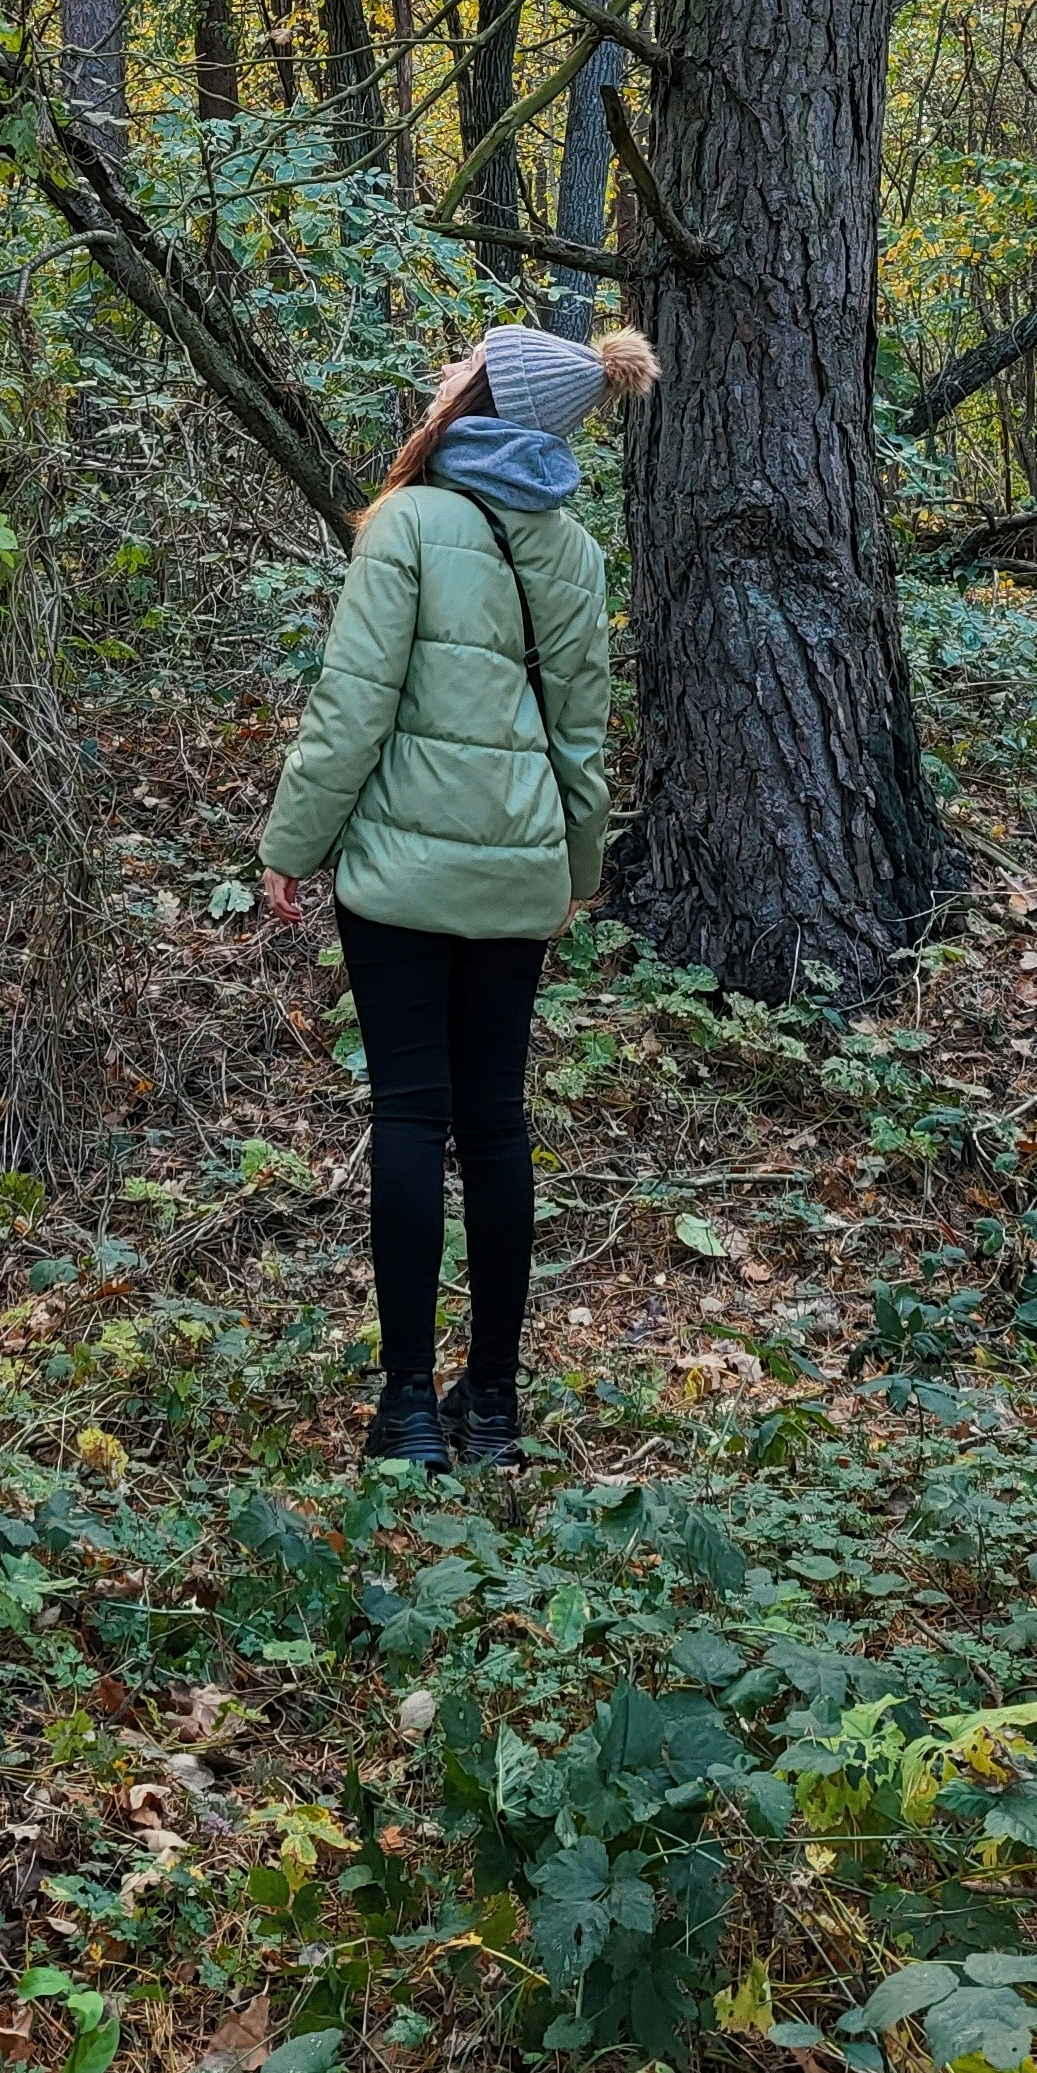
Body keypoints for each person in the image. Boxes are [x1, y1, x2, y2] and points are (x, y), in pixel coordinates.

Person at [259, 317, 659, 1466]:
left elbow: (351, 709)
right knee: (495, 1125)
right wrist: (570, 876)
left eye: (465, 367)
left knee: (408, 1115)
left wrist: (291, 845)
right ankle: (493, 1406)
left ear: (488, 398)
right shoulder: (574, 553)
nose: (445, 374)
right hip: (517, 879)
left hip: (396, 881)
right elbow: (583, 740)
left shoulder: (410, 524)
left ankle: (405, 1412)